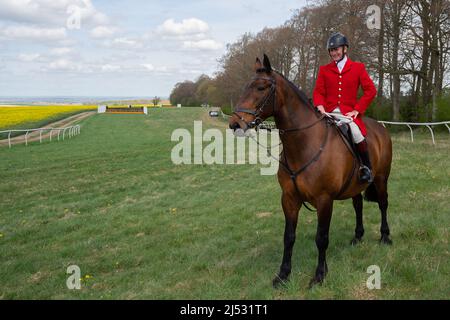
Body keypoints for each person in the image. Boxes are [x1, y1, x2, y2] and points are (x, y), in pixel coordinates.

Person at [313, 32, 377, 183]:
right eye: (332, 50)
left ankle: (366, 168)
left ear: (345, 49)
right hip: (328, 112)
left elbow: (371, 90)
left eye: (337, 49)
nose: (334, 53)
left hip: (348, 114)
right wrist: (320, 105)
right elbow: (319, 92)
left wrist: (357, 109)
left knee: (357, 134)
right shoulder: (324, 70)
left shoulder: (358, 68)